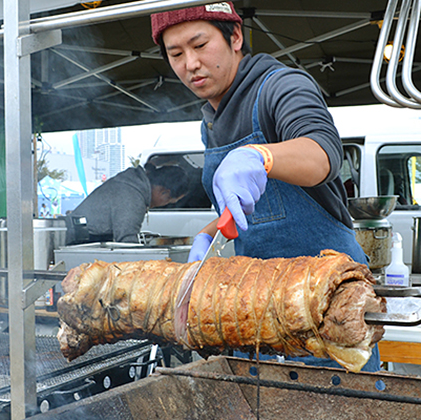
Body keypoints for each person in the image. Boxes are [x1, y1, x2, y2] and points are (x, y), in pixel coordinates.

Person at [150, 3, 379, 372]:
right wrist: (209, 234)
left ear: (235, 37)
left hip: (326, 315)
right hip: (256, 318)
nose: (189, 64)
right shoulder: (209, 120)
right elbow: (250, 208)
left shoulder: (281, 85)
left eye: (199, 45)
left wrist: (260, 156)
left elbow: (322, 153)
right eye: (176, 54)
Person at [65, 164, 189, 244]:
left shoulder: (134, 184)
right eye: (169, 201)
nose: (164, 204)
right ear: (164, 193)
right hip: (80, 242)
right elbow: (127, 242)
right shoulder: (133, 196)